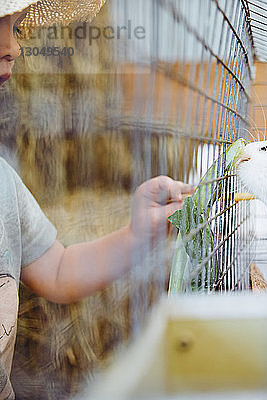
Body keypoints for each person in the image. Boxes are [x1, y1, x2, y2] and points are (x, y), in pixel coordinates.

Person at [0, 1, 193, 398]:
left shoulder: (4, 183)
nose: (14, 47)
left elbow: (58, 271)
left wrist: (139, 233)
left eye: (15, 27)